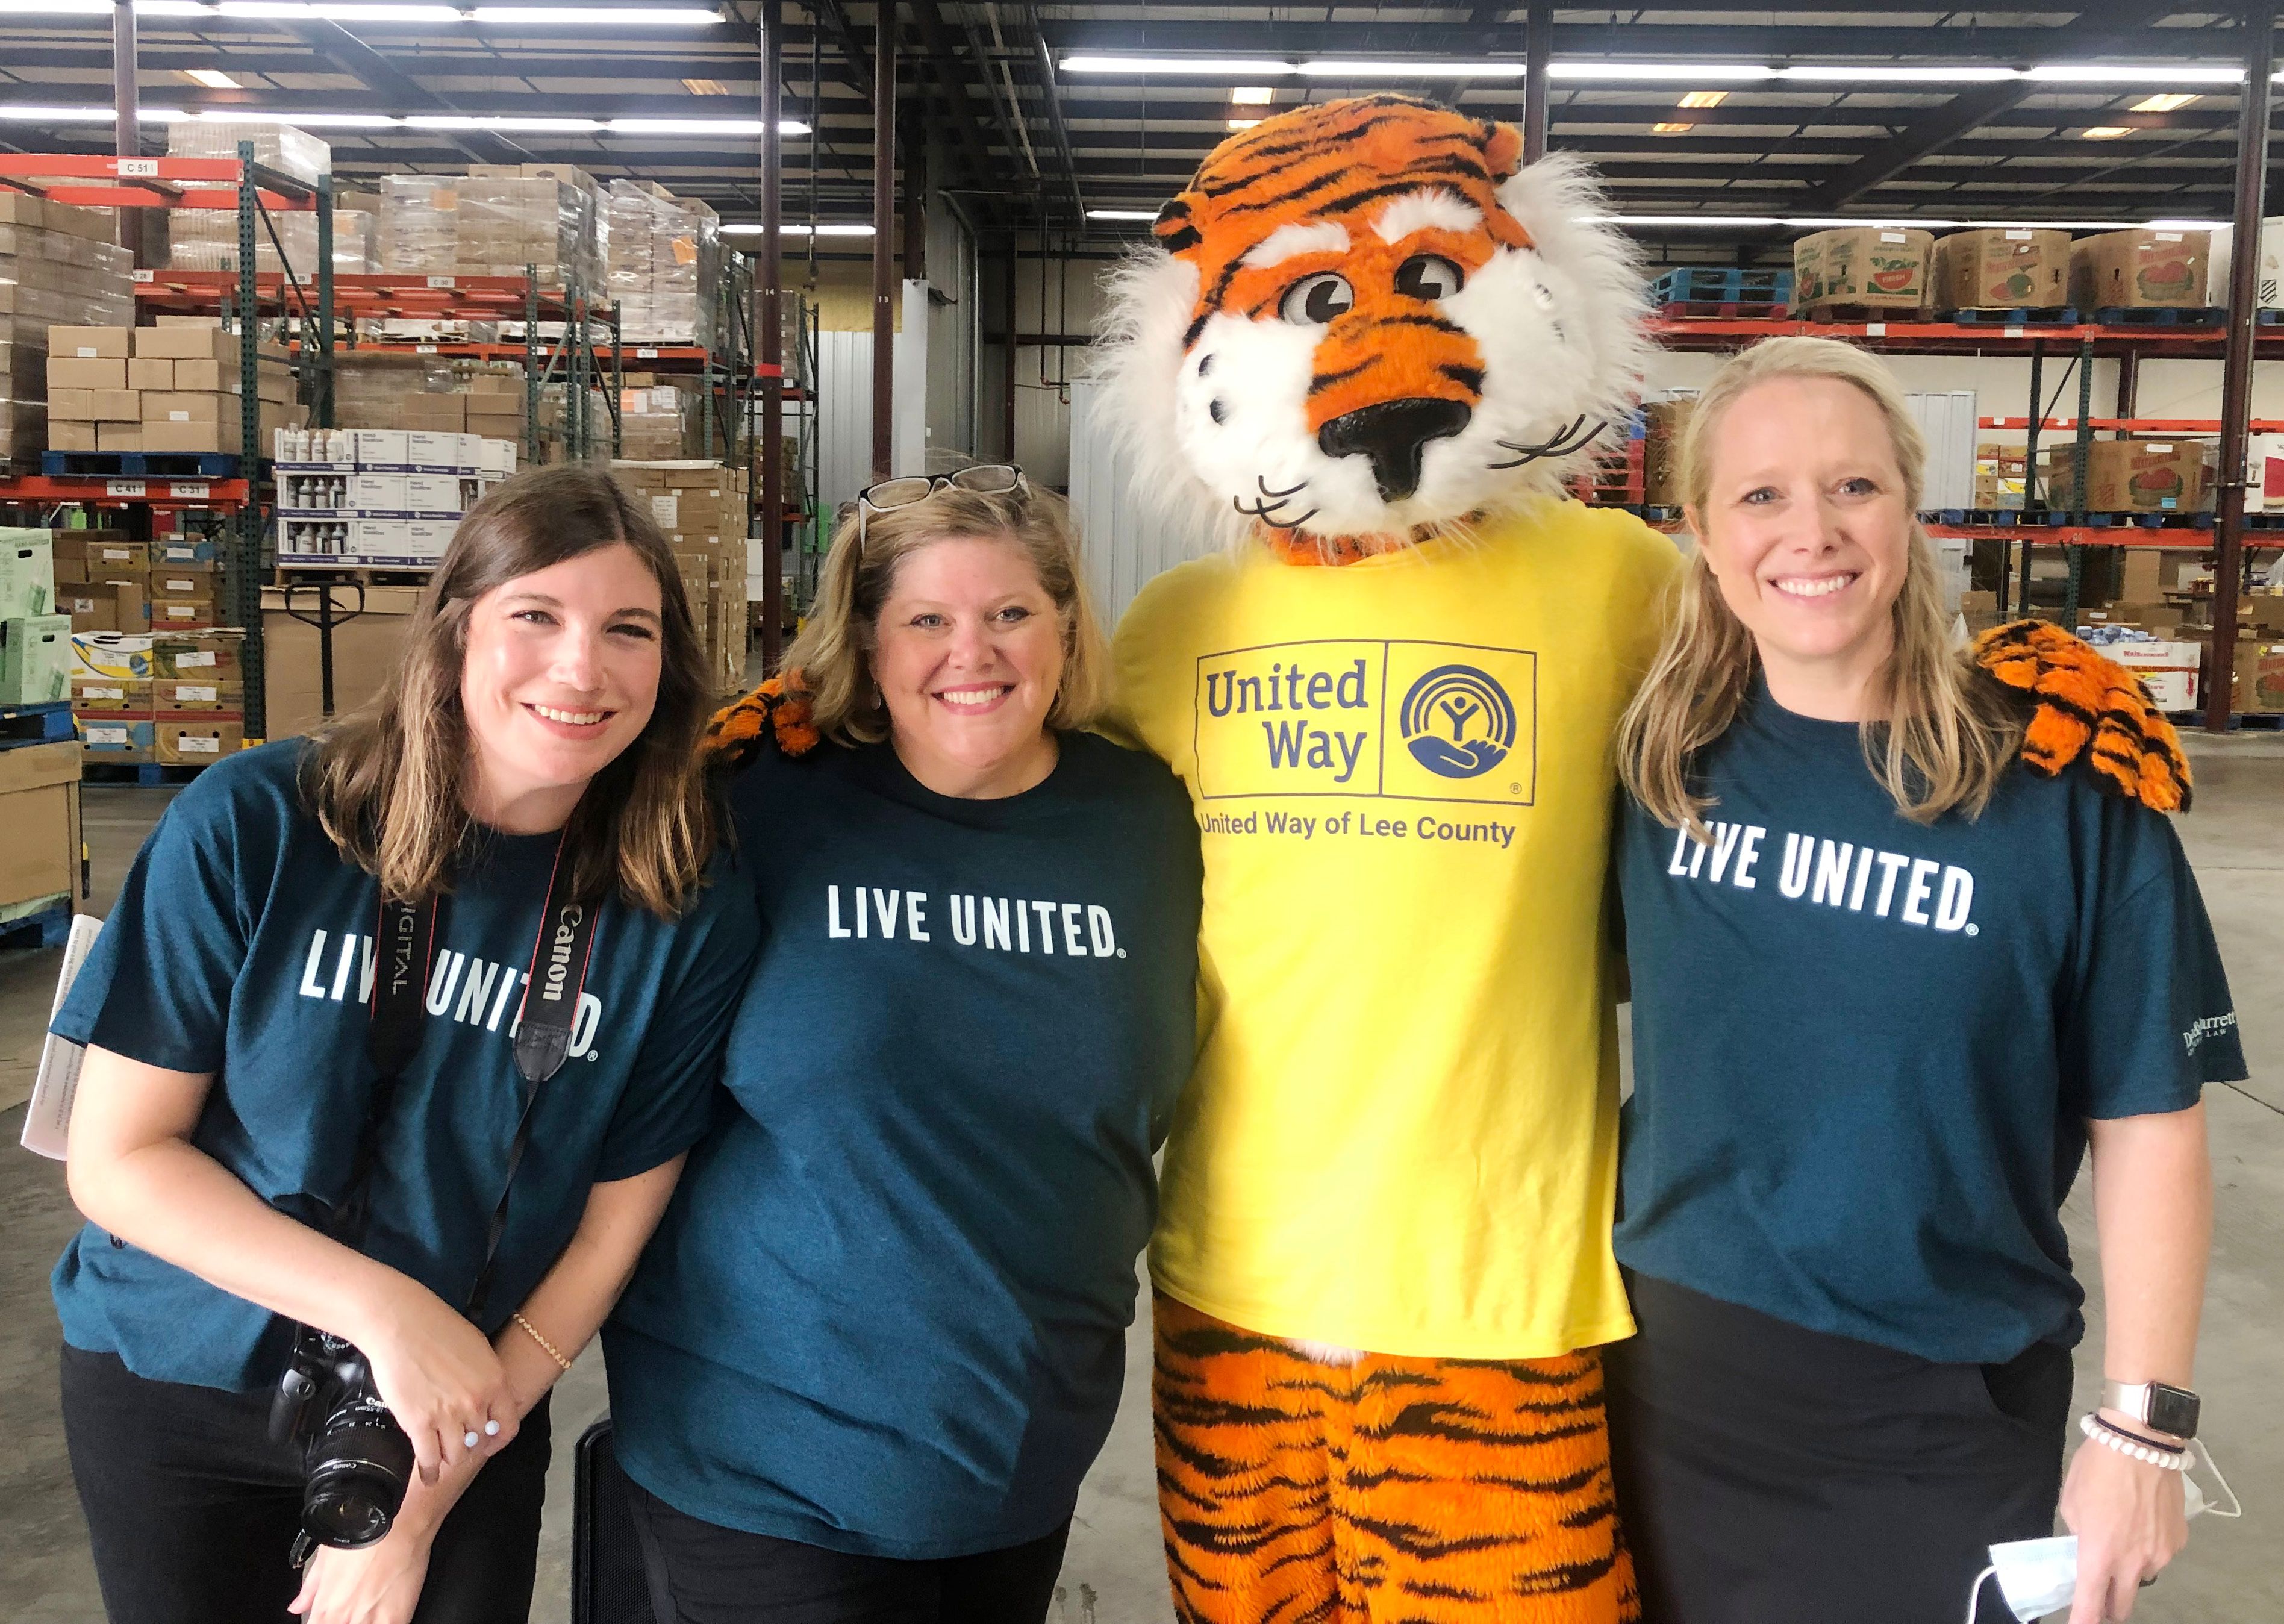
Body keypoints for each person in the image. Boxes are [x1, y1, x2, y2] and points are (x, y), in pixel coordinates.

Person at [1605, 336, 2243, 1624]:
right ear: (1704, 532)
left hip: (1945, 1399)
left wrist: (2148, 1431)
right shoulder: (1656, 767)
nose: (1812, 533)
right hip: (1667, 1386)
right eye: (1762, 495)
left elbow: (2152, 1119)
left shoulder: (2064, 787)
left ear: (1912, 504)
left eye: (1853, 487)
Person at [52, 465, 760, 1624]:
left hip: (457, 1420)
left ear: (667, 669)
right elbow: (118, 1159)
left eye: (627, 631)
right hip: (176, 1383)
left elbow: (609, 1232)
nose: (580, 669)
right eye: (535, 616)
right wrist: (387, 1313)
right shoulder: (258, 823)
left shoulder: (682, 898)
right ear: (454, 631)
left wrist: (426, 1499)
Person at [603, 467, 1202, 1624]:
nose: (970, 653)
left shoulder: (1150, 818)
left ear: (1068, 630)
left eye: (1010, 614)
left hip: (1022, 1447)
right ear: (868, 644)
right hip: (764, 1448)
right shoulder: (760, 800)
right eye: (926, 620)